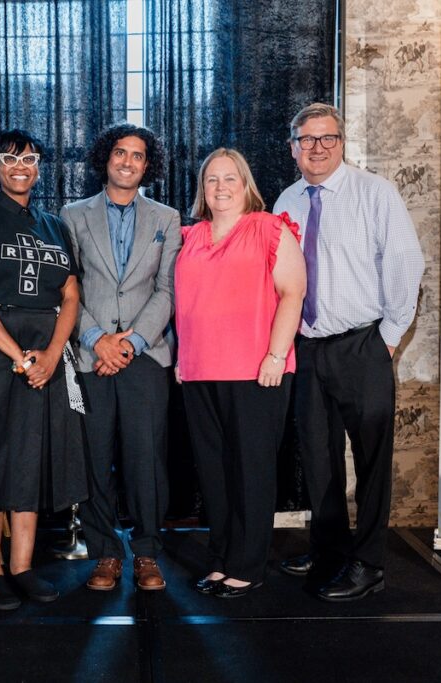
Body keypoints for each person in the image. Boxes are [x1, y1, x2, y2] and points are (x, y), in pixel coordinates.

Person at [273, 103, 424, 601]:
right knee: (319, 459)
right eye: (306, 139)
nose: (317, 148)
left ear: (342, 142)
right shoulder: (286, 201)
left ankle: (369, 563)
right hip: (308, 348)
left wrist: (390, 335)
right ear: (292, 147)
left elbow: (405, 261)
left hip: (362, 344)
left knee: (371, 458)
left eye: (327, 138)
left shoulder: (374, 192)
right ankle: (330, 550)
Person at [0, 129, 87, 610]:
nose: (20, 166)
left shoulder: (54, 226)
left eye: (29, 158)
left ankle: (22, 566)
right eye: (10, 159)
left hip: (45, 353)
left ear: (40, 166)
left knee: (30, 454)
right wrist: (17, 355)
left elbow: (71, 296)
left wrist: (51, 353)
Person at [175, 148, 305, 598]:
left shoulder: (269, 228)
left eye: (230, 178)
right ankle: (221, 559)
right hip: (199, 371)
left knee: (251, 471)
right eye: (212, 179)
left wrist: (276, 355)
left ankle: (248, 566)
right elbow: (186, 304)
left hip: (256, 371)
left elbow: (293, 293)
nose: (221, 187)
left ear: (246, 184)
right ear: (202, 188)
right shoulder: (191, 235)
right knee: (214, 473)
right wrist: (182, 358)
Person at [61, 124, 181, 592]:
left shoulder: (167, 218)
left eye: (137, 155)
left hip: (144, 357)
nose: (127, 161)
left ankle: (147, 551)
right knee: (93, 457)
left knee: (146, 458)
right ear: (105, 158)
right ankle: (106, 553)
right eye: (120, 152)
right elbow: (67, 287)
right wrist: (97, 339)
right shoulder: (73, 215)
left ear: (148, 165)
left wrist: (130, 344)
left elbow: (167, 289)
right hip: (89, 357)